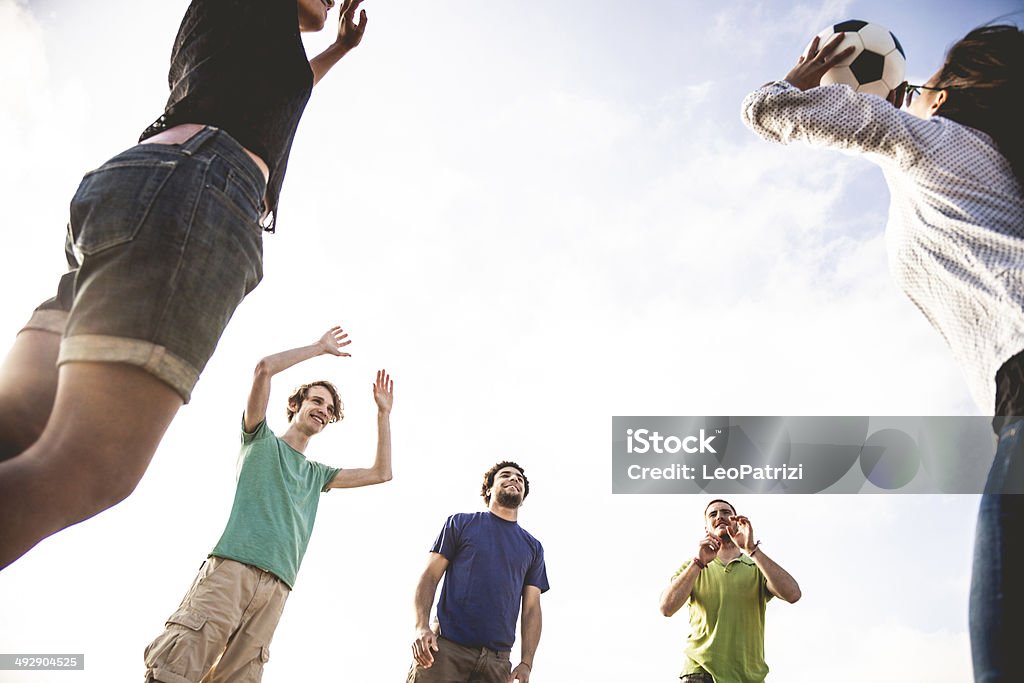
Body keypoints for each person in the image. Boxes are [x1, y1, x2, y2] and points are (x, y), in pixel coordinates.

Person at [0, 0, 369, 569]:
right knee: (93, 460)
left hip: (145, 188)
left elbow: (281, 94)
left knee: (20, 424)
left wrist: (338, 49)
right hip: (198, 194)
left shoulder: (246, 40)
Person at [741, 24, 1024, 682]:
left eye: (927, 85)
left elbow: (767, 109)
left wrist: (802, 75)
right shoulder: (999, 166)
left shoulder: (928, 140)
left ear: (946, 96)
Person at [143, 326, 393, 682]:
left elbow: (381, 472)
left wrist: (383, 414)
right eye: (316, 401)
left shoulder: (317, 474)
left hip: (277, 587)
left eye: (329, 408)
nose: (322, 409)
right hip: (232, 571)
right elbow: (263, 368)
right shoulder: (259, 439)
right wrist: (320, 348)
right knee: (177, 667)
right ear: (296, 405)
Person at [408, 462, 548, 683]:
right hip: (445, 650)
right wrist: (421, 627)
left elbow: (531, 608)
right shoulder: (461, 523)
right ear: (489, 488)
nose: (515, 479)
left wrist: (527, 662)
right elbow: (430, 576)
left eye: (519, 479)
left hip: (497, 664)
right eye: (506, 475)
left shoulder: (533, 547)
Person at [659, 500, 801, 683]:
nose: (720, 516)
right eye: (713, 514)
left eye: (726, 512)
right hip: (701, 673)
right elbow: (666, 608)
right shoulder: (693, 567)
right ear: (706, 529)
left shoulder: (757, 568)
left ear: (736, 522)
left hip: (749, 677)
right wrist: (698, 562)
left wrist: (751, 549)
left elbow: (793, 594)